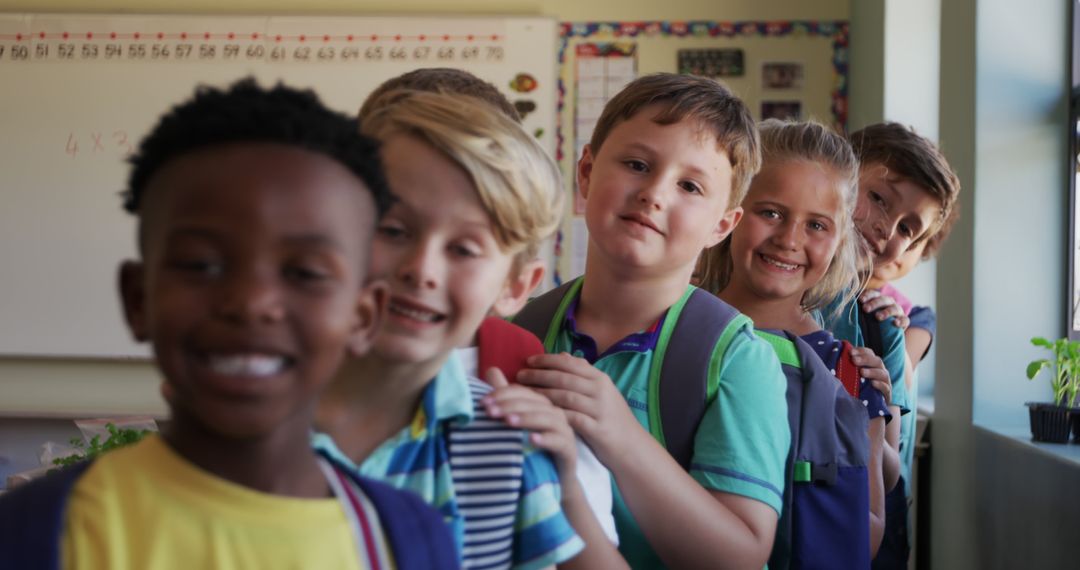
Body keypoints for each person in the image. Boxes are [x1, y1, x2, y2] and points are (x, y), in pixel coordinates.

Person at [0, 78, 456, 570]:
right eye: (201, 265)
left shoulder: (406, 541)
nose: (251, 303)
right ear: (138, 298)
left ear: (363, 316)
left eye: (304, 272)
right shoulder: (35, 534)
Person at [315, 90, 619, 569]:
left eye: (464, 249)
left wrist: (563, 485)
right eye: (393, 230)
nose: (422, 269)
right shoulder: (257, 412)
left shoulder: (507, 440)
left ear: (516, 286)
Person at [514, 73, 790, 569]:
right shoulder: (522, 330)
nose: (655, 193)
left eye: (690, 185)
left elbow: (742, 557)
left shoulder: (738, 360)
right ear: (586, 172)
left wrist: (620, 435)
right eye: (637, 165)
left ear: (722, 225)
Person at [703, 119, 893, 567]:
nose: (789, 240)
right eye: (770, 212)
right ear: (731, 210)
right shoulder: (675, 331)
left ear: (840, 239)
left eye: (817, 225)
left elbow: (864, 536)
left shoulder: (849, 373)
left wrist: (874, 428)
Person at [833, 122, 961, 569]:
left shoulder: (884, 326)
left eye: (909, 229)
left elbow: (886, 469)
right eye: (879, 198)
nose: (886, 229)